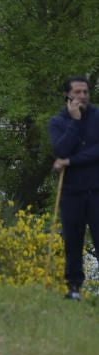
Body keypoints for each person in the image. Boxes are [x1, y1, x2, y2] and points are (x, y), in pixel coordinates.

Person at [50, 75, 99, 300]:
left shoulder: (98, 116)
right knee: (72, 240)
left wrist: (71, 162)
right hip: (71, 192)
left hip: (96, 189)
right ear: (67, 95)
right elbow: (61, 150)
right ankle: (74, 288)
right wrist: (75, 121)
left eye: (85, 92)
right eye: (78, 92)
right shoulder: (59, 122)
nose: (82, 96)